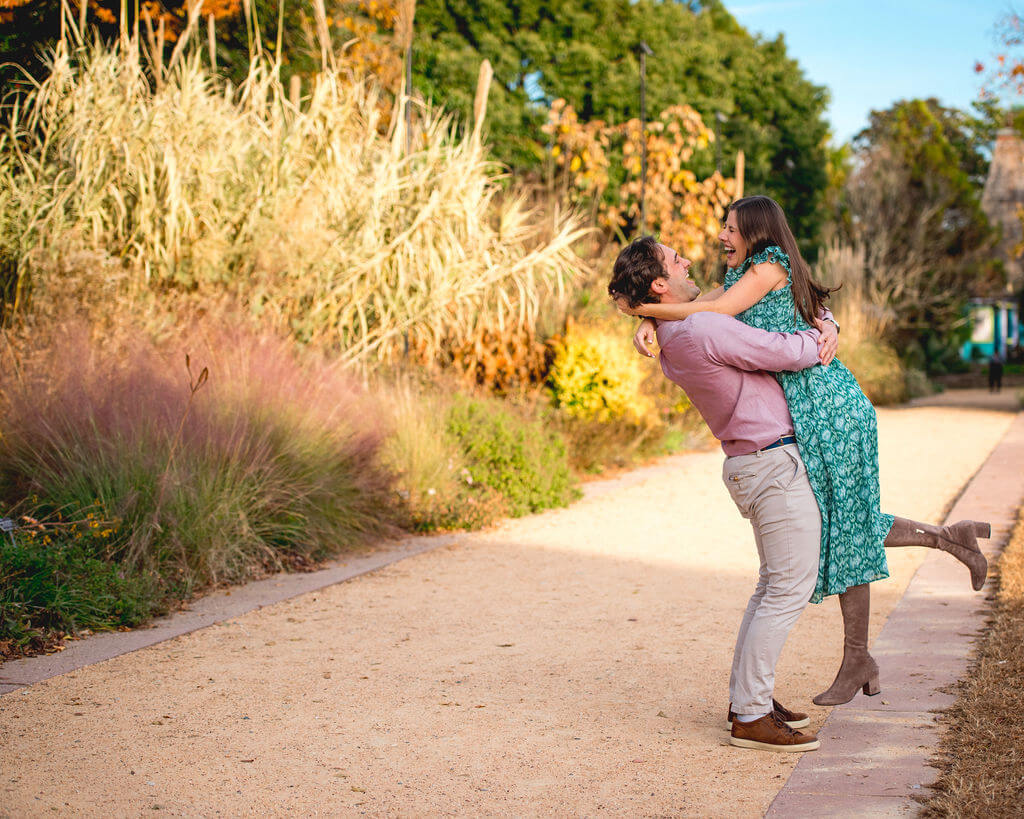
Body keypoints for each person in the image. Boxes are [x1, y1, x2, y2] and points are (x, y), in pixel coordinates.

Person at [609, 212, 990, 730]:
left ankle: (765, 696)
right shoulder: (700, 325)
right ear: (659, 283)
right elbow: (778, 349)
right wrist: (824, 336)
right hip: (774, 456)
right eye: (675, 261)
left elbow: (748, 307)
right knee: (794, 579)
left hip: (782, 444)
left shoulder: (706, 312)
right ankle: (755, 709)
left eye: (728, 226)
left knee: (802, 561)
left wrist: (647, 316)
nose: (704, 247)